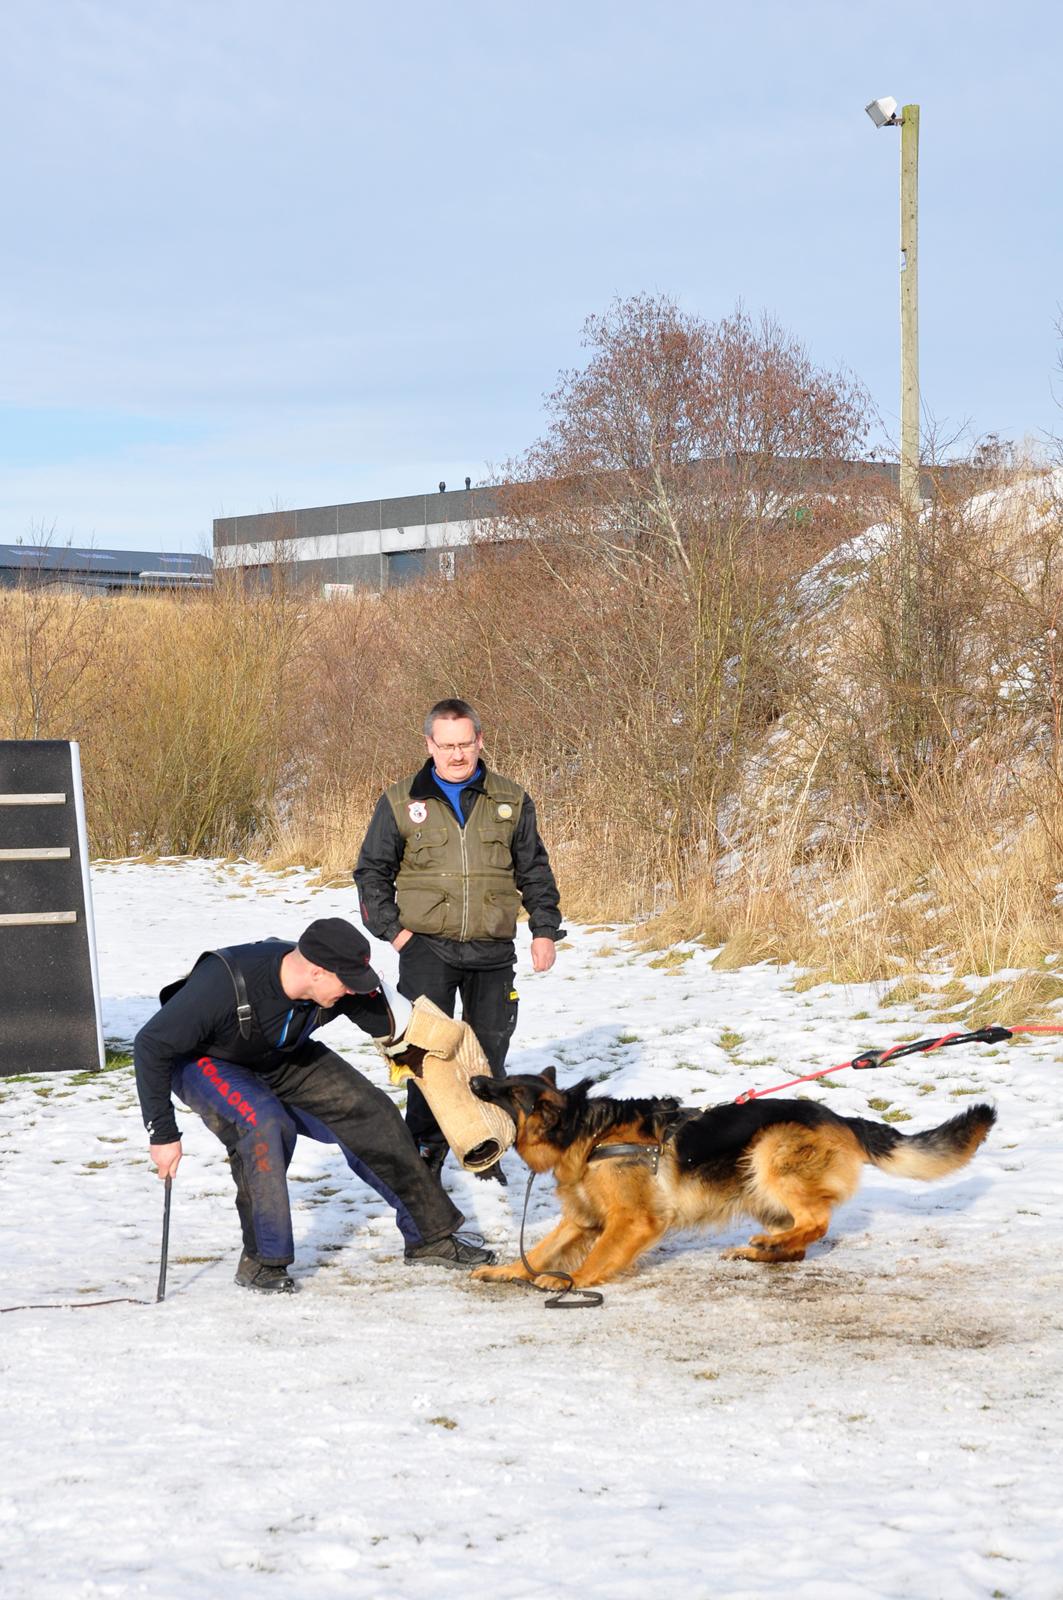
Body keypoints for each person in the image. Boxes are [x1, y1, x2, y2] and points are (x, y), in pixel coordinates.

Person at [134, 916, 495, 1293]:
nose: (351, 991)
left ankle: (430, 1236)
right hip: (206, 1061)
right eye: (346, 982)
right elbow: (151, 1045)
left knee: (373, 1111)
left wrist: (444, 1066)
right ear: (317, 972)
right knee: (265, 1124)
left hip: (279, 1054)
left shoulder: (336, 984)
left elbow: (400, 1027)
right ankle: (262, 1261)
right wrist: (162, 1133)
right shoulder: (223, 982)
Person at [354, 697, 564, 1180]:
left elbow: (534, 869)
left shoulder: (510, 800)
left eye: (464, 744)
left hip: (492, 949)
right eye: (445, 745)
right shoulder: (401, 801)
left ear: (480, 742)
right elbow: (371, 873)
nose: (455, 755)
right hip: (427, 947)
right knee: (427, 1054)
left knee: (489, 1049)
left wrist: (544, 929)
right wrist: (395, 932)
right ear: (429, 744)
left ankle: (483, 1144)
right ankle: (425, 1150)